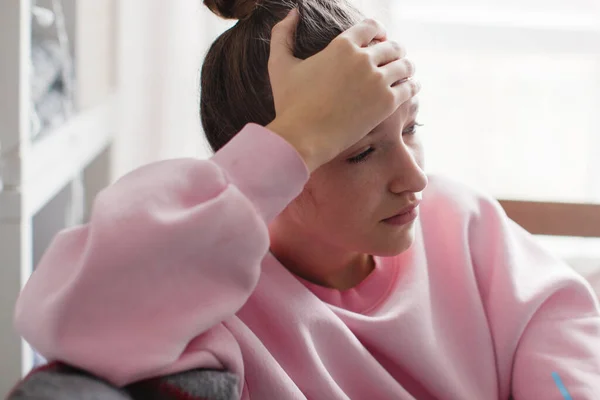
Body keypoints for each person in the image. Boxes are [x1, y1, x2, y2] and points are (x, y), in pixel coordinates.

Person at [14, 0, 600, 399]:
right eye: (361, 153)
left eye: (411, 128)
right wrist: (293, 138)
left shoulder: (460, 221)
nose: (413, 178)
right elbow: (68, 321)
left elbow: (558, 320)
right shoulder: (215, 293)